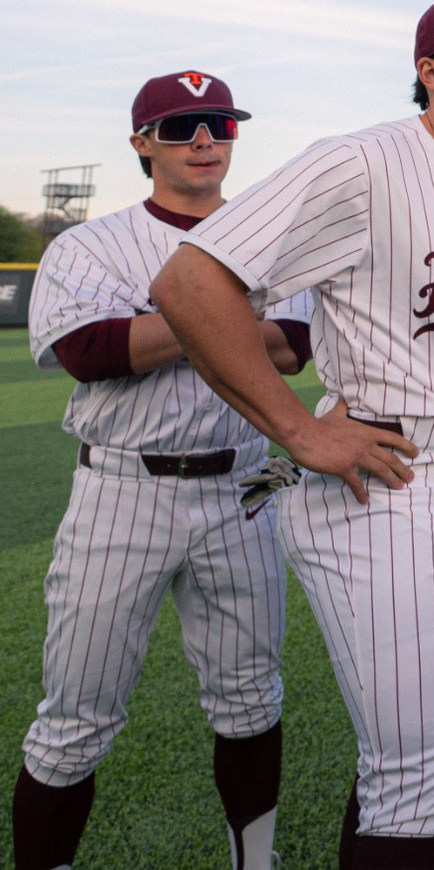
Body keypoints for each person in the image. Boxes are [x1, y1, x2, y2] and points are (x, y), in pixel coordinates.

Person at [151, 0, 434, 868]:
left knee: (411, 763)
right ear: (431, 71)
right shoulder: (361, 163)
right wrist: (299, 431)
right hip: (390, 483)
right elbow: (191, 286)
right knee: (422, 773)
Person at [16, 72, 309, 870]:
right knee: (75, 716)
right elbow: (91, 352)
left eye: (219, 124)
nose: (206, 141)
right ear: (143, 144)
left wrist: (166, 319)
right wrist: (220, 319)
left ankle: (257, 862)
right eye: (181, 128)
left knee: (251, 698)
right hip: (121, 490)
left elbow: (296, 344)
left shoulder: (271, 241)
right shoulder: (90, 243)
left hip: (243, 486)